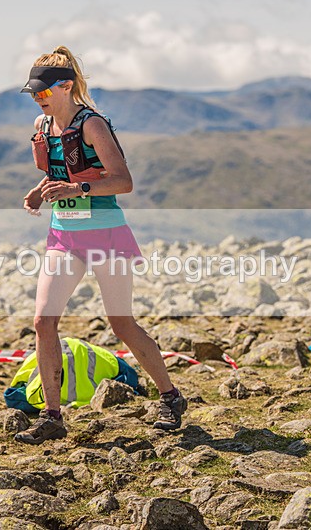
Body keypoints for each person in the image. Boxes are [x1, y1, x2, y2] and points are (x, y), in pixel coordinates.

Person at [14, 46, 187, 445]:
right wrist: (41, 191)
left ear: (66, 86)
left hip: (106, 234)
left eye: (43, 92)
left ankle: (170, 397)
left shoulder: (92, 125)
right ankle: (52, 415)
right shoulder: (43, 127)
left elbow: (122, 181)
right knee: (43, 322)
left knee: (121, 324)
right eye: (34, 94)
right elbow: (60, 174)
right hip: (63, 235)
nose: (38, 99)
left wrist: (77, 188)